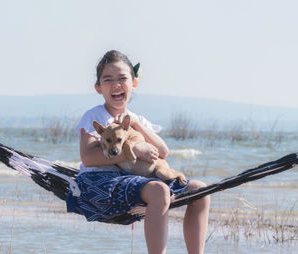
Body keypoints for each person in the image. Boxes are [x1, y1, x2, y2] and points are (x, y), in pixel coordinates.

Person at [66, 50, 210, 254]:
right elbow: (88, 159)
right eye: (108, 79)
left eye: (122, 78)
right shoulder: (95, 116)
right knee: (160, 191)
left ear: (134, 83)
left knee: (200, 190)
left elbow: (163, 151)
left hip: (138, 177)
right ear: (98, 88)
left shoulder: (137, 120)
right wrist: (132, 150)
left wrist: (135, 124)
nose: (116, 84)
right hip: (102, 182)